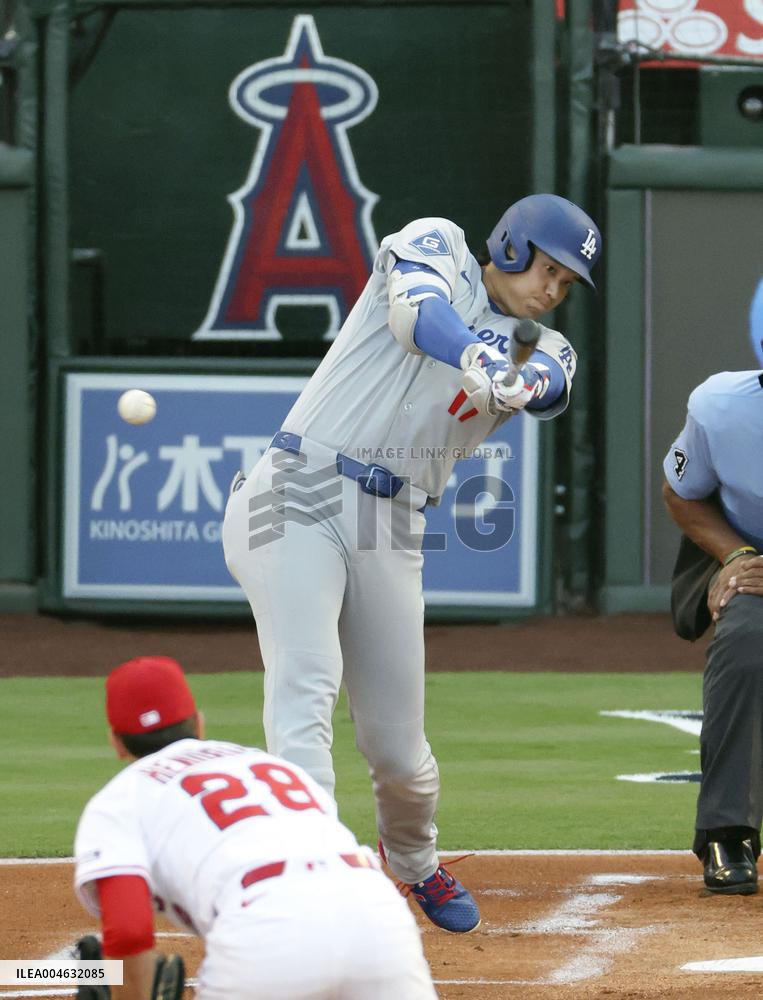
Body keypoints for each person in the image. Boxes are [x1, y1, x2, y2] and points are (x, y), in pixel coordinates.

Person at [222, 194, 602, 932]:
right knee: (305, 688)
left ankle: (413, 861)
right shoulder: (439, 241)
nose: (551, 290)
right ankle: (312, 877)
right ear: (513, 246)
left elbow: (549, 379)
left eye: (565, 284)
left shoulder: (544, 343)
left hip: (393, 520)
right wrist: (472, 352)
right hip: (297, 486)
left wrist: (517, 380)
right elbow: (416, 313)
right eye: (548, 270)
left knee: (398, 751)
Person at [73, 656, 437, 1000]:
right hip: (378, 920)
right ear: (198, 723)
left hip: (264, 935)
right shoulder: (273, 768)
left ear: (117, 743)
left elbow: (130, 932)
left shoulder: (118, 800)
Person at [663, 370, 763, 894]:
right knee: (747, 633)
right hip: (752, 557)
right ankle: (728, 832)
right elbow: (682, 493)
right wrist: (736, 555)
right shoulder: (719, 406)